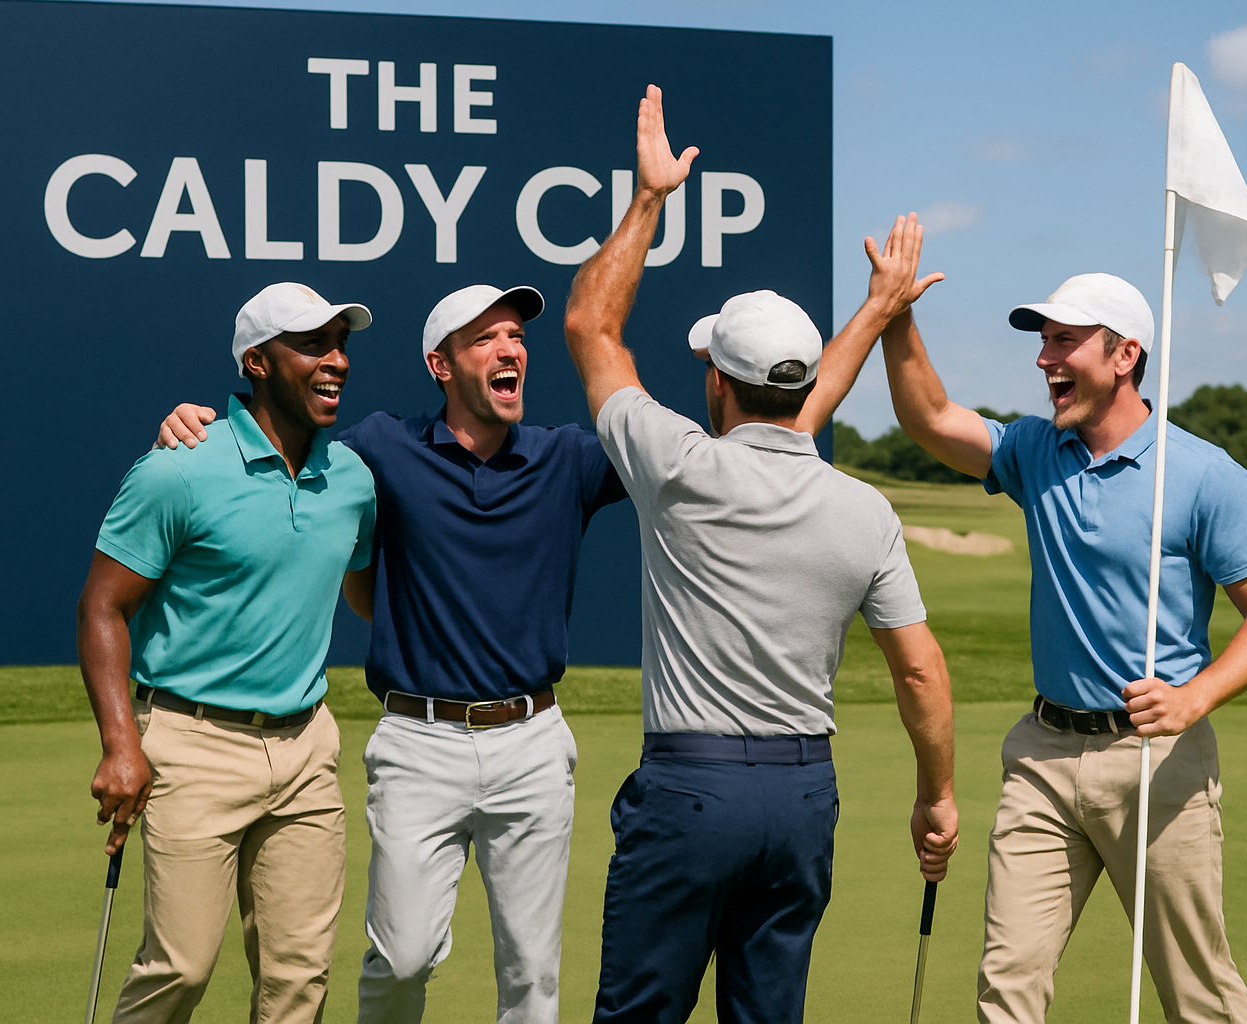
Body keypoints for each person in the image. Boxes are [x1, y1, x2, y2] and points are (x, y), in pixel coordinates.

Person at [560, 84, 958, 1024]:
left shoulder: (678, 466)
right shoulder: (864, 509)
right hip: (803, 798)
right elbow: (921, 673)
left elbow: (590, 326)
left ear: (716, 382)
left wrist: (651, 197)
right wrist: (936, 796)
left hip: (690, 792)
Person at [820, 269, 1247, 1023]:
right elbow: (933, 419)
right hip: (1041, 757)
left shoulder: (1205, 476)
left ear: (1124, 356)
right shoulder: (1036, 450)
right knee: (1007, 986)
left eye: (1065, 342)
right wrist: (898, 317)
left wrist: (1193, 698)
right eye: (1044, 341)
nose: (1045, 359)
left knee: (1197, 993)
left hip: (1155, 759)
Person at [156, 282, 628, 1024]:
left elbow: (681, 457)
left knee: (532, 972)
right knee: (402, 958)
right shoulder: (380, 448)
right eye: (485, 339)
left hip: (533, 743)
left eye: (516, 337)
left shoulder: (566, 458)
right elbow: (281, 445)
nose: (509, 350)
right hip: (418, 744)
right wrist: (192, 423)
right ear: (441, 365)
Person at [77, 282, 378, 1024]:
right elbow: (102, 607)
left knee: (298, 978)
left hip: (306, 750)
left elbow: (367, 594)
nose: (336, 359)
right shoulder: (177, 467)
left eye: (340, 343)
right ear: (258, 362)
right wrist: (120, 743)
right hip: (192, 744)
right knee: (180, 967)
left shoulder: (352, 479)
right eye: (311, 344)